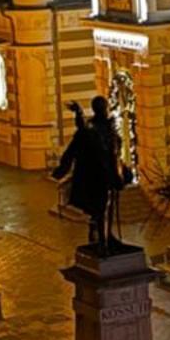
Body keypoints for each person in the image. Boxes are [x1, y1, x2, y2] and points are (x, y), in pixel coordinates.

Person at [54, 98, 124, 250]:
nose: (106, 110)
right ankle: (101, 240)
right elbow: (78, 142)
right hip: (97, 173)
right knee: (100, 206)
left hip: (107, 173)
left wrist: (120, 171)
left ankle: (107, 235)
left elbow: (115, 151)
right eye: (104, 107)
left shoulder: (108, 127)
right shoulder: (92, 128)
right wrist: (62, 169)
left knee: (108, 204)